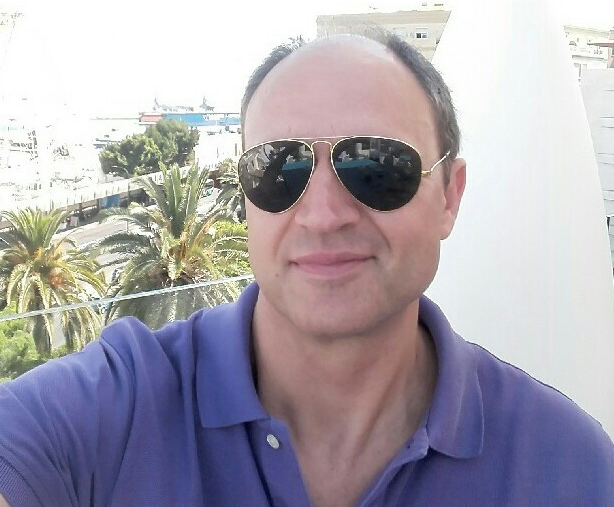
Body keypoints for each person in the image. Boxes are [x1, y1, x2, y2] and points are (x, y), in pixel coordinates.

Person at [0, 33, 612, 507]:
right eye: (279, 169)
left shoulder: (566, 466)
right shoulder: (107, 414)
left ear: (450, 196)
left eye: (375, 166)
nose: (322, 215)